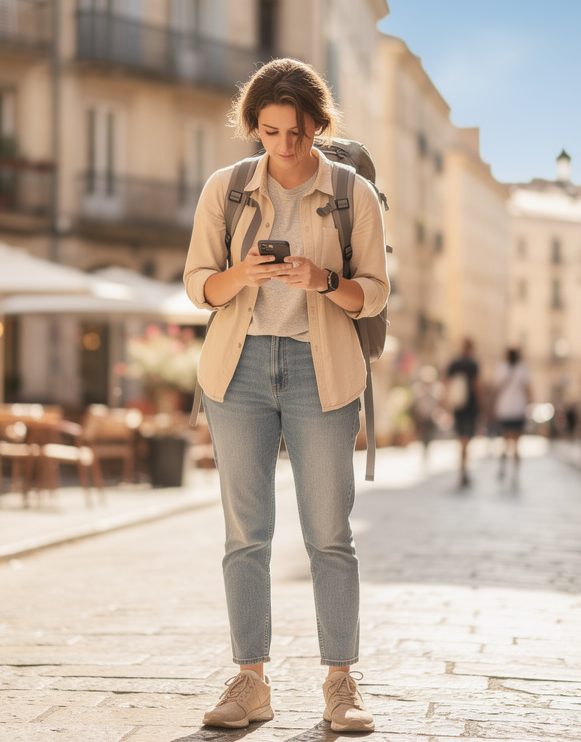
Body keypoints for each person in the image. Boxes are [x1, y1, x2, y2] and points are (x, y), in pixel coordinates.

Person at [183, 58, 386, 732]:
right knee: (246, 535)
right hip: (236, 372)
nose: (283, 145)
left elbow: (374, 294)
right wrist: (242, 273)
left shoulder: (354, 193)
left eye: (296, 132)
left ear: (318, 127)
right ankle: (250, 681)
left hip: (320, 370)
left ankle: (341, 682)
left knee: (329, 532)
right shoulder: (228, 187)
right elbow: (198, 285)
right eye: (269, 131)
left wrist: (323, 279)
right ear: (255, 128)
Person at [446, 338, 481, 487]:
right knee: (466, 439)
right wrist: (483, 405)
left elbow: (446, 383)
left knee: (462, 439)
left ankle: (462, 468)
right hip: (470, 406)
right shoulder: (473, 365)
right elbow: (477, 386)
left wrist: (446, 403)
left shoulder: (454, 364)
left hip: (458, 406)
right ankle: (464, 468)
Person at [491, 348, 531, 478]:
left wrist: (492, 406)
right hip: (518, 409)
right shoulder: (522, 369)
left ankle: (502, 467)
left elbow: (496, 390)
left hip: (504, 409)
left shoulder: (502, 369)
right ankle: (515, 472)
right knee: (517, 444)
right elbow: (527, 389)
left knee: (504, 442)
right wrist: (529, 405)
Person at [411, 365, 443, 464]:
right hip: (422, 415)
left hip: (431, 415)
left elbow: (439, 401)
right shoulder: (418, 388)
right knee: (423, 434)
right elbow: (416, 403)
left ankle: (427, 450)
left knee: (430, 434)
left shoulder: (436, 387)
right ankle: (424, 450)